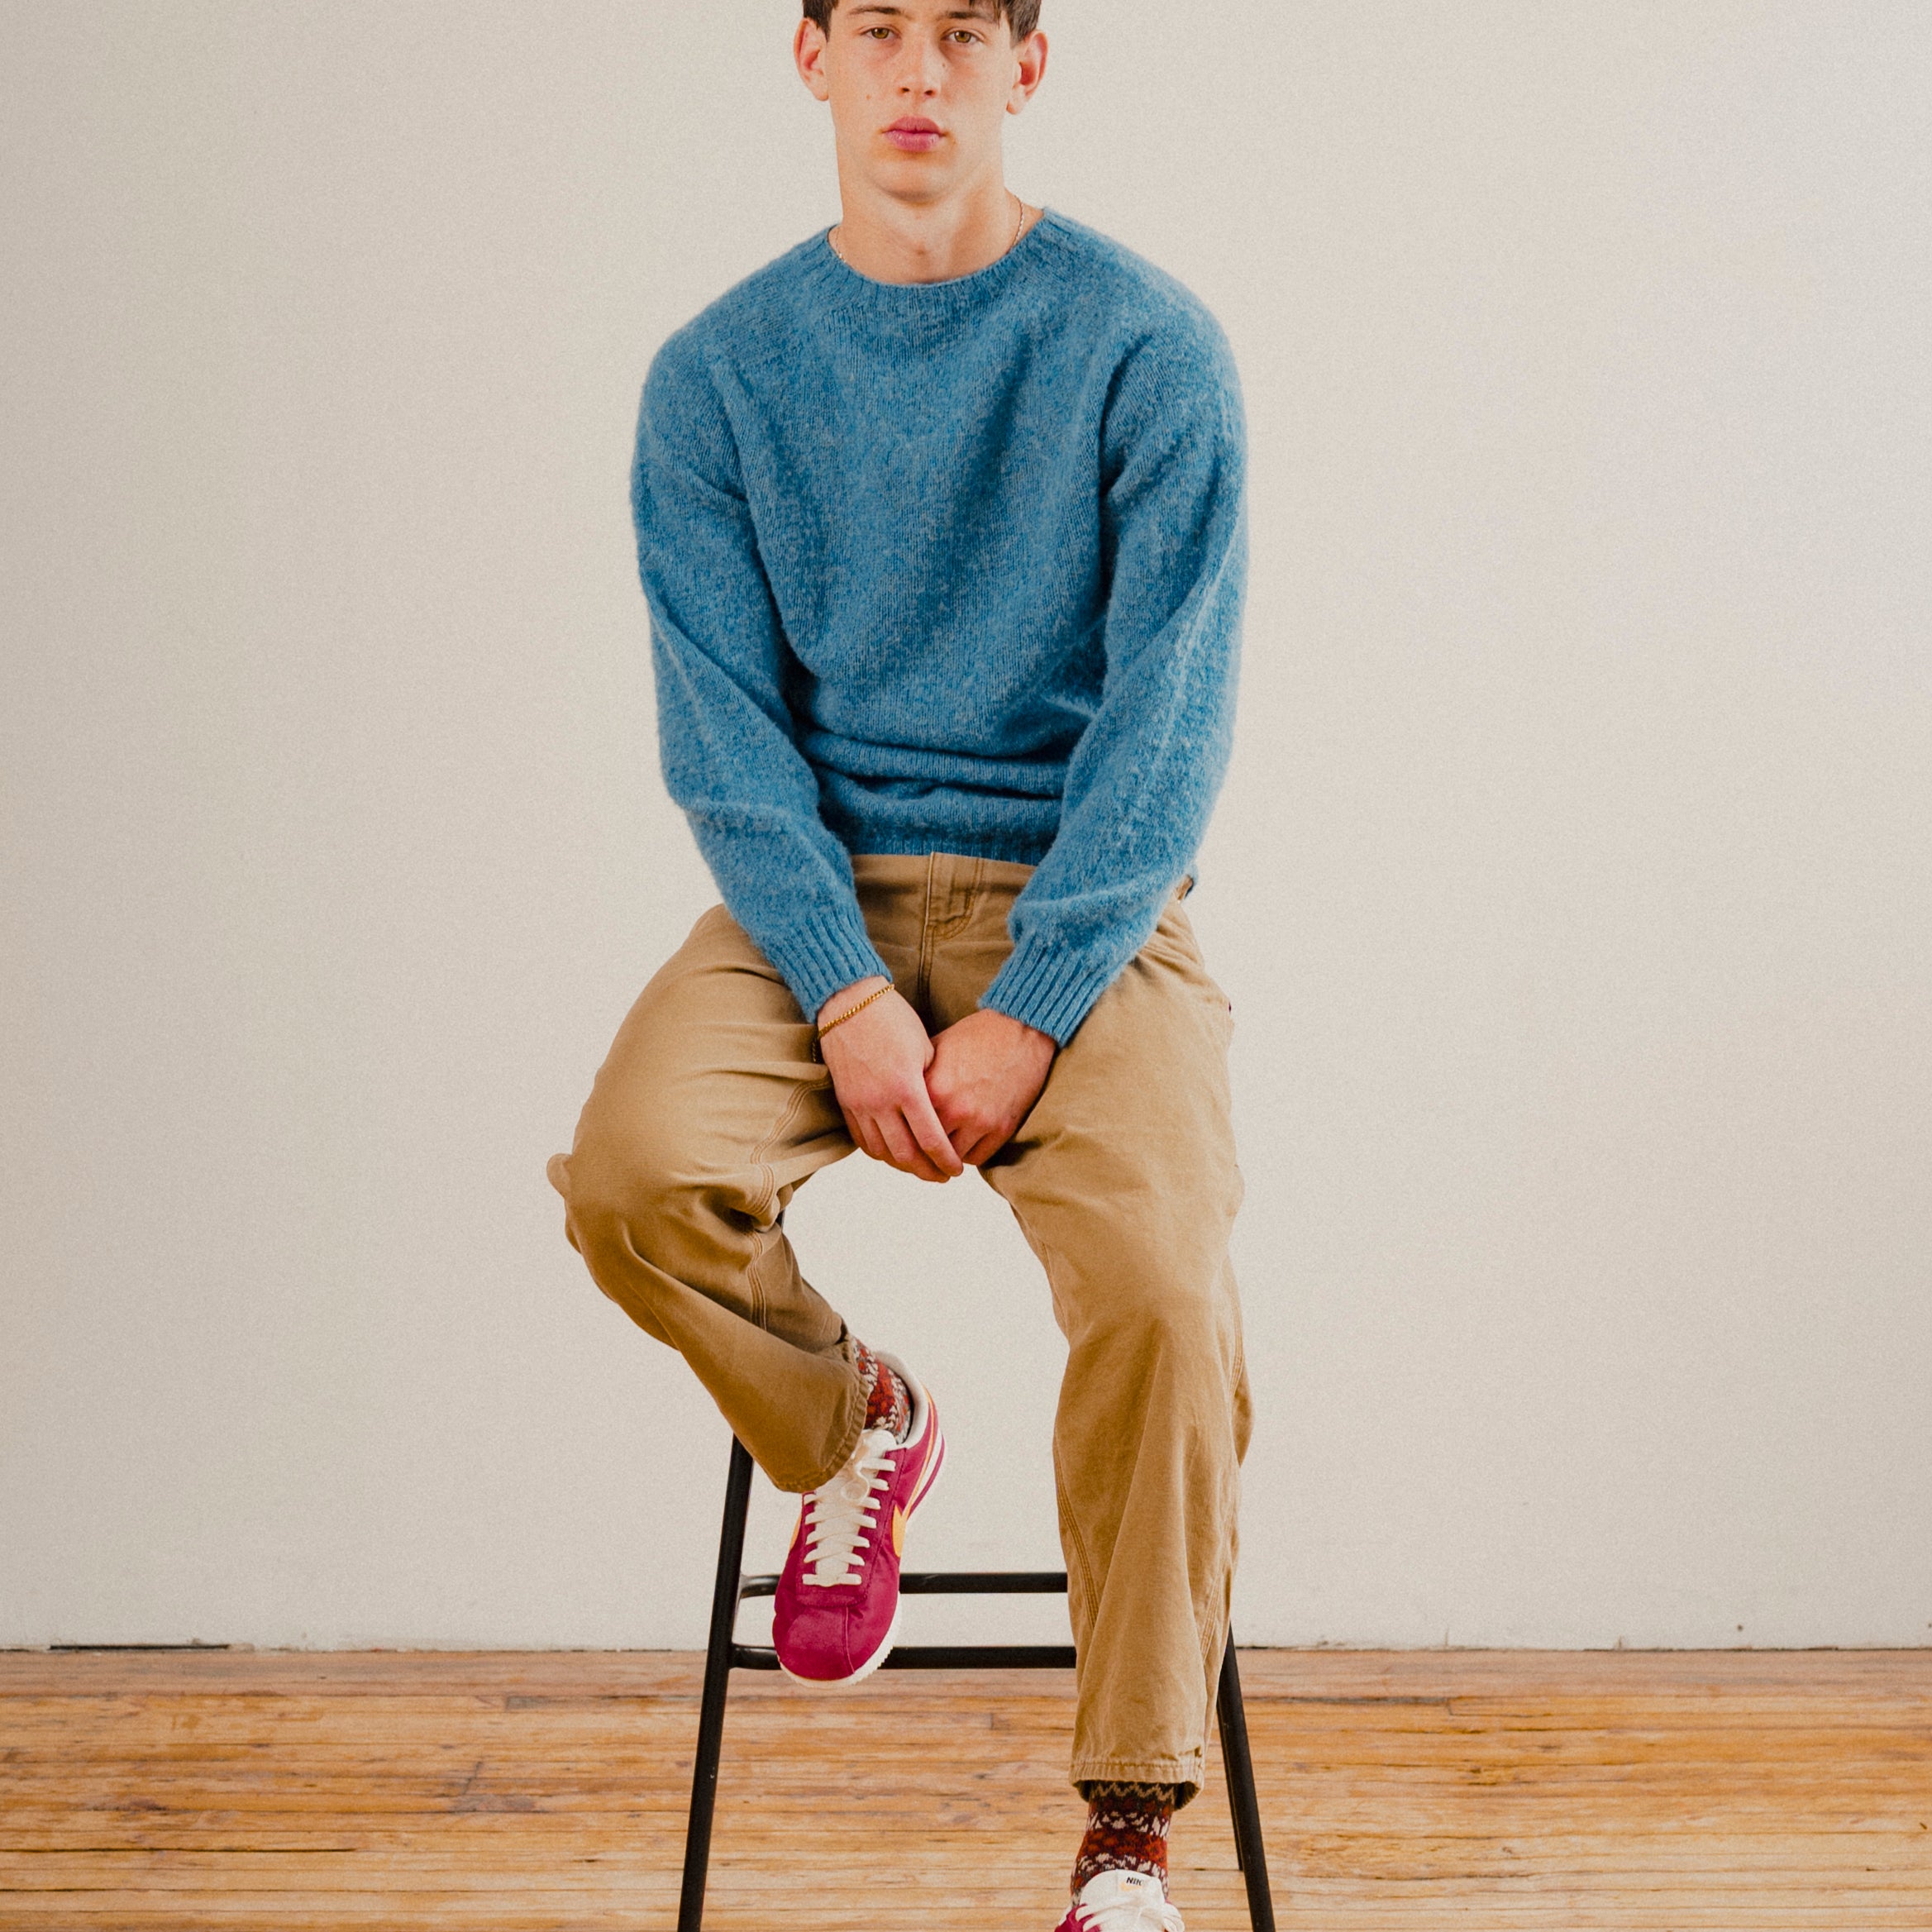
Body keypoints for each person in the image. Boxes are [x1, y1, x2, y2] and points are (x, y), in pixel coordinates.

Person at [546, 3, 1250, 1925]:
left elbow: (1166, 731)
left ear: (1029, 63)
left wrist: (1028, 1008)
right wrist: (847, 988)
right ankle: (852, 1418)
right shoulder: (717, 376)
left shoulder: (1145, 346)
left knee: (1166, 1288)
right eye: (880, 29)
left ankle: (1126, 1827)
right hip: (813, 909)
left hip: (1079, 913)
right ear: (811, 59)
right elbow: (723, 735)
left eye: (961, 29)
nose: (917, 70)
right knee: (627, 1179)